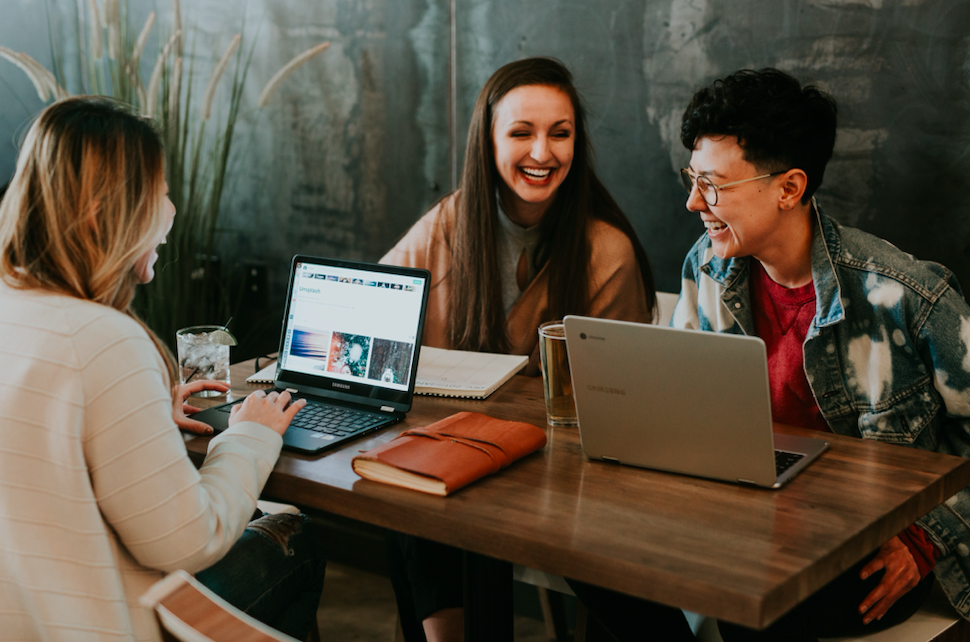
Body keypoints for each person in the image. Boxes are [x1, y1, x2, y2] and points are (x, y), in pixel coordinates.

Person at [625, 67, 970, 641]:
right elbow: (684, 410)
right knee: (596, 559)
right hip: (745, 518)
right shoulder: (705, 268)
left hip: (860, 544)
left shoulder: (903, 295)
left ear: (788, 188)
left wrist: (926, 535)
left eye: (712, 185)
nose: (692, 202)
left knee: (752, 590)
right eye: (692, 178)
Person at [0, 97, 325, 641]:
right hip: (97, 623)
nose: (171, 209)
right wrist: (246, 436)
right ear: (109, 211)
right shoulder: (104, 339)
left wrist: (144, 411)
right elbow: (187, 541)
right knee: (296, 533)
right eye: (160, 191)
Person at [380, 57, 657, 641]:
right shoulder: (451, 222)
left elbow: (614, 407)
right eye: (521, 133)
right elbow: (379, 313)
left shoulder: (607, 252)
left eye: (560, 133)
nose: (543, 152)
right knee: (404, 491)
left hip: (561, 477)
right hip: (454, 456)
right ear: (488, 141)